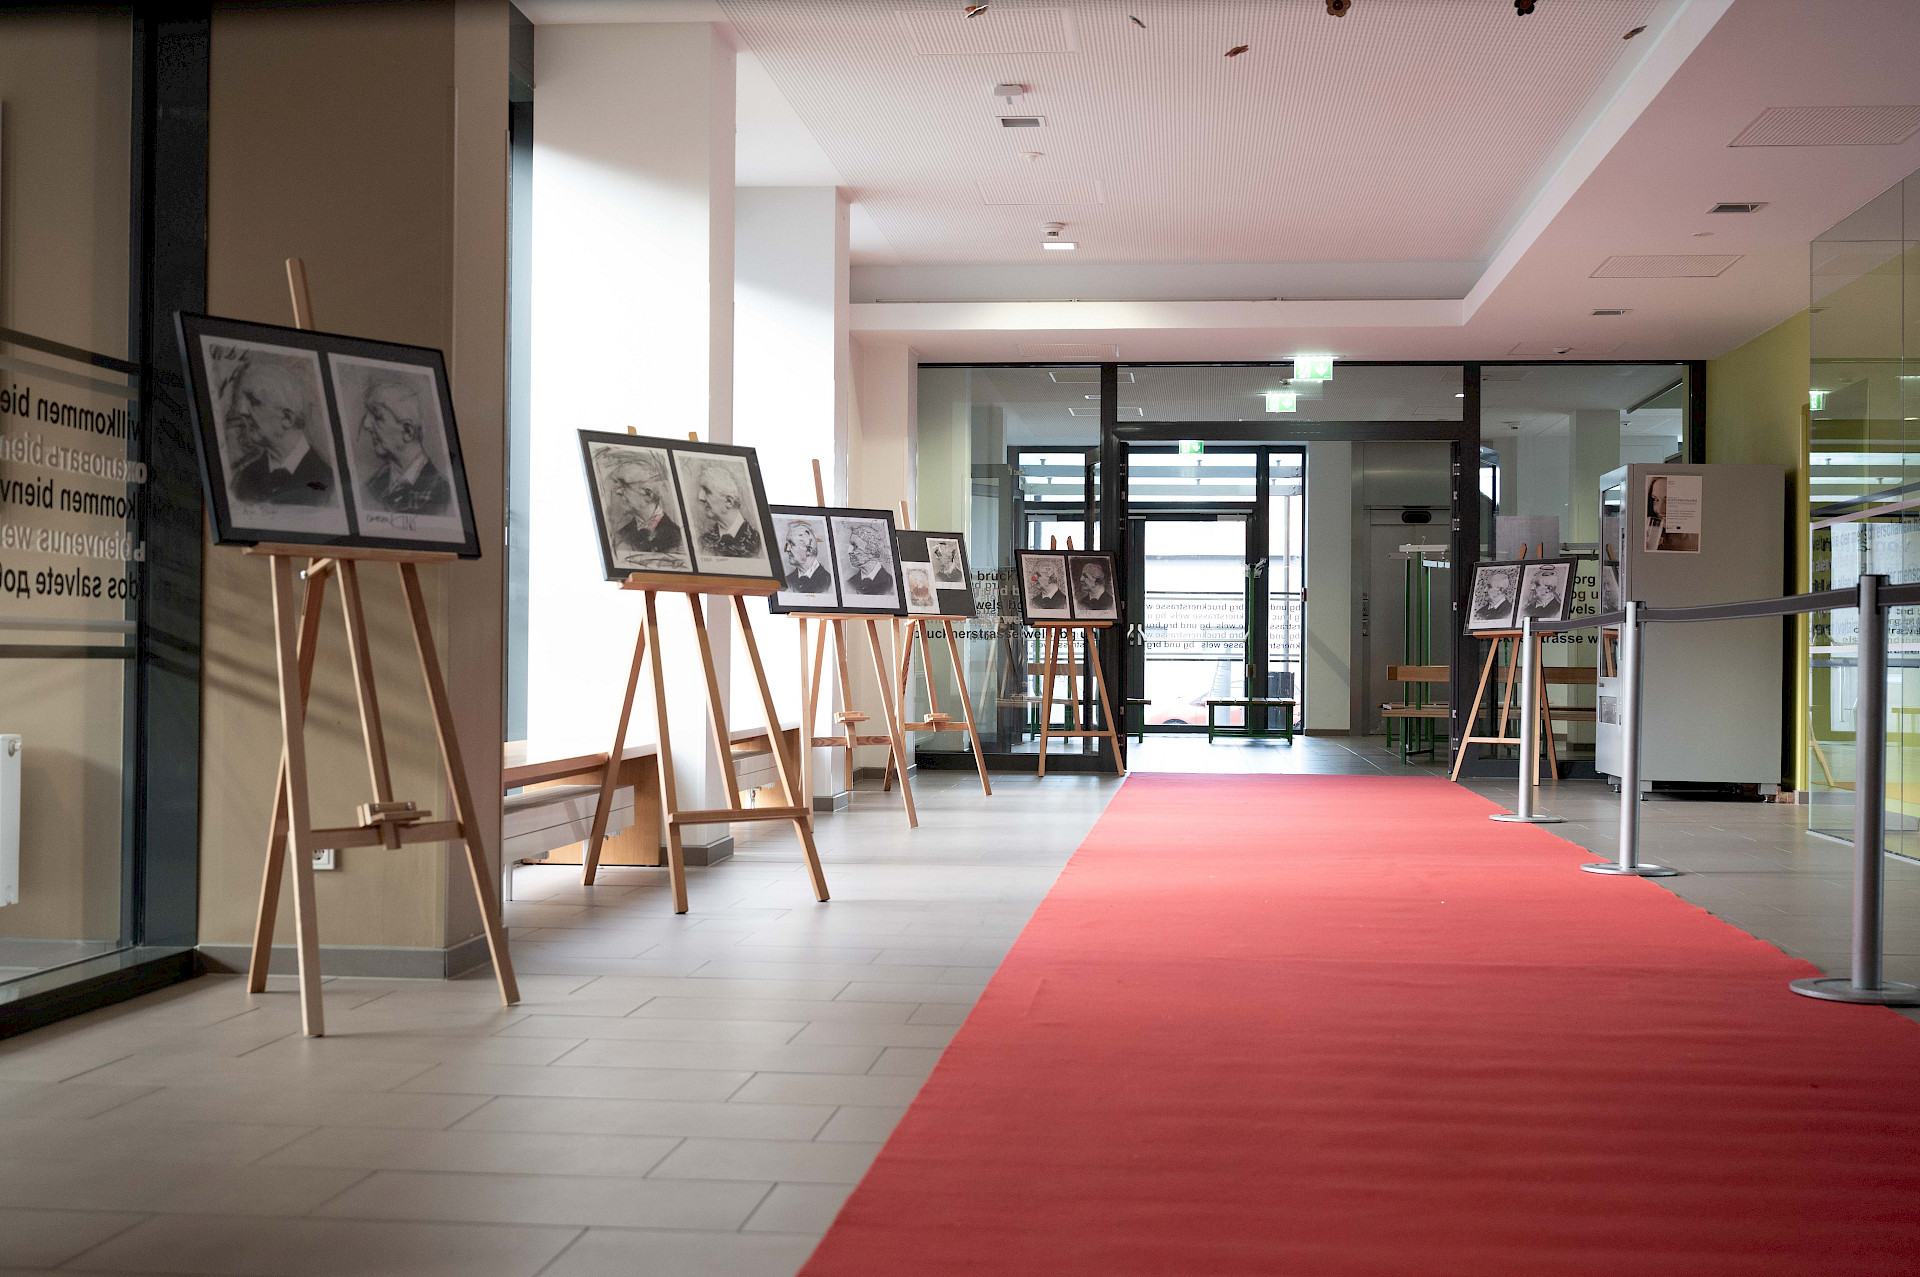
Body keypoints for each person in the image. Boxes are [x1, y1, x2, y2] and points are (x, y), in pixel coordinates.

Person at [226, 359, 336, 506]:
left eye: (254, 401)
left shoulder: (330, 484)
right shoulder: (242, 481)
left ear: (287, 418)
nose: (242, 411)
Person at [357, 377, 452, 515]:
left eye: (378, 417)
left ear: (407, 431)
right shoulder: (371, 486)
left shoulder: (442, 493)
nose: (366, 424)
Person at [604, 452, 683, 560]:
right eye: (617, 484)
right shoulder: (621, 536)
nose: (618, 491)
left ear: (648, 494)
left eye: (624, 485)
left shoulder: (678, 537)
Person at [693, 462, 762, 559]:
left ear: (729, 501)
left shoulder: (758, 542)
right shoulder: (703, 542)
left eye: (707, 491)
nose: (700, 497)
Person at [842, 523, 896, 596]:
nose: (849, 551)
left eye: (855, 546)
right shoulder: (850, 583)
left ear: (872, 550)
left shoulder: (891, 584)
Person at [781, 520, 832, 594]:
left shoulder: (828, 582)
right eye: (787, 544)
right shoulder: (787, 582)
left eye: (792, 544)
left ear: (808, 550)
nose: (787, 549)